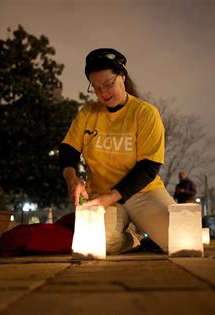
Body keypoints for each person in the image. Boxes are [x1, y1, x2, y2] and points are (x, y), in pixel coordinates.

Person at [58, 48, 175, 254]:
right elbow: (68, 150)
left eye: (108, 84)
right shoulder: (88, 113)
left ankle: (148, 228)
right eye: (96, 87)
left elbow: (149, 167)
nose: (103, 93)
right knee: (97, 244)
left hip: (143, 193)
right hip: (101, 193)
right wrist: (72, 179)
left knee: (180, 239)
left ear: (122, 76)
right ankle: (134, 239)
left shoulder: (145, 113)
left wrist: (112, 196)